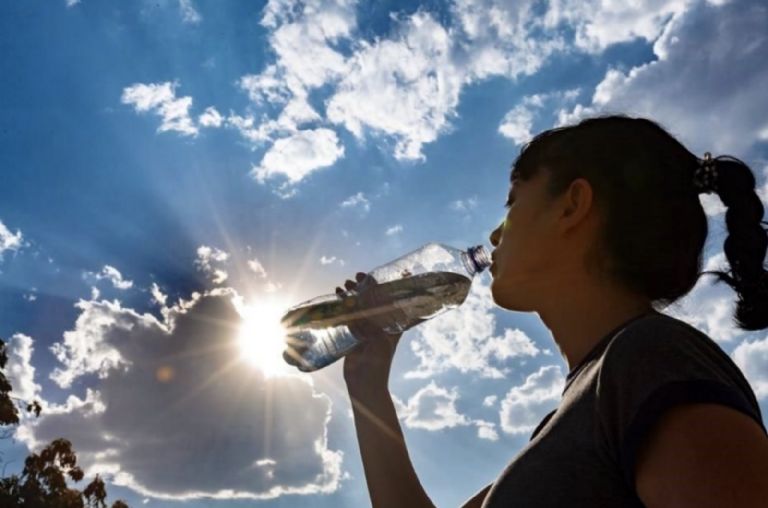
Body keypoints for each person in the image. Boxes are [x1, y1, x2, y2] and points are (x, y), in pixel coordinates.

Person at [337, 114, 768, 507]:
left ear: (571, 205)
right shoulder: (572, 419)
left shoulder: (650, 358)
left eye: (512, 201)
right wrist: (368, 387)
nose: (493, 233)